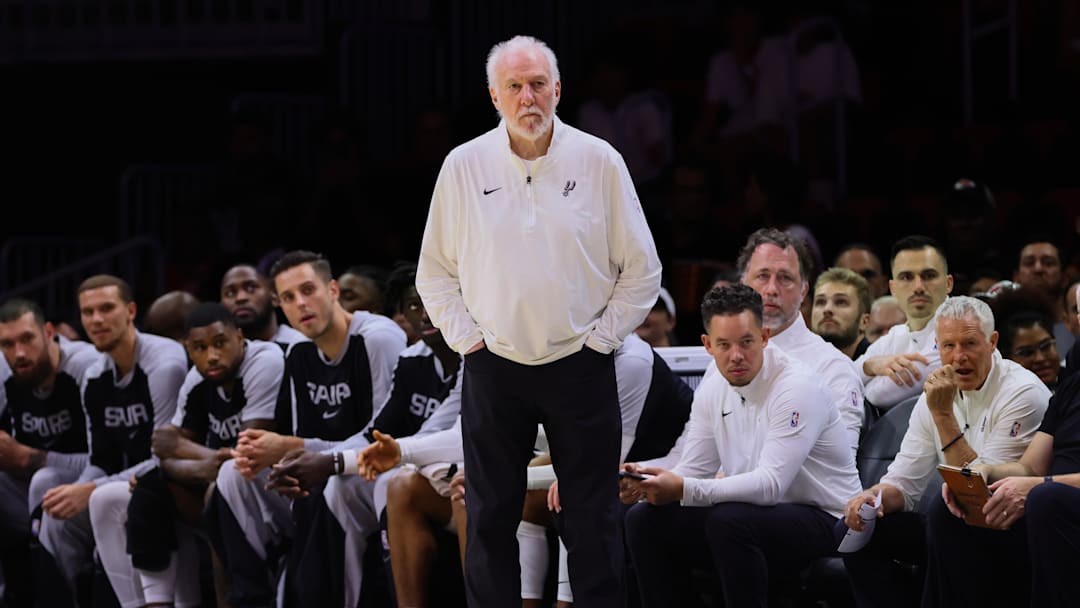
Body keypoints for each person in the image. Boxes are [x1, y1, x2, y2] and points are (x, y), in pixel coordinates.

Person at [415, 34, 662, 607]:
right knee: (489, 517)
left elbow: (643, 268)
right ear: (494, 96)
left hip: (581, 364)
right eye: (514, 87)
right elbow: (435, 273)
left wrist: (602, 341)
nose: (528, 98)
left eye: (538, 85)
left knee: (594, 521)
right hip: (492, 365)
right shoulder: (462, 165)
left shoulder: (600, 159)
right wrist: (469, 343)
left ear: (558, 89)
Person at [622, 284, 861, 607]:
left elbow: (771, 485)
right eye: (724, 344)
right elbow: (695, 469)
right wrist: (650, 481)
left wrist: (682, 488)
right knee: (644, 519)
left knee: (730, 519)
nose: (736, 355)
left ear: (764, 337)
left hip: (829, 518)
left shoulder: (796, 386)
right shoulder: (714, 384)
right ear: (707, 345)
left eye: (746, 342)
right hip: (758, 515)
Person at [206, 251, 405, 607]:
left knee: (335, 485)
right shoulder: (298, 354)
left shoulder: (377, 337)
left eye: (308, 290)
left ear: (332, 290)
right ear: (279, 304)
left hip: (383, 465)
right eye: (288, 297)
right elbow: (307, 444)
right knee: (234, 474)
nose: (300, 303)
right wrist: (287, 460)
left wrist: (293, 448)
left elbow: (385, 433)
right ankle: (252, 598)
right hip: (332, 465)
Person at [842, 296, 1050, 608]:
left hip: (1009, 526)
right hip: (954, 521)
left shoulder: (1022, 392)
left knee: (945, 518)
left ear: (992, 342)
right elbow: (903, 482)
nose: (958, 357)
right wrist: (873, 497)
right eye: (948, 346)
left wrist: (943, 416)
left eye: (969, 343)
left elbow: (977, 492)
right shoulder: (936, 393)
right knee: (865, 531)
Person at [88, 302, 281, 608]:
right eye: (200, 348)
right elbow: (164, 447)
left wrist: (190, 457)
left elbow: (249, 452)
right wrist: (209, 461)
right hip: (219, 479)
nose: (212, 355)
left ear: (240, 337)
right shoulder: (197, 378)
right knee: (138, 490)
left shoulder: (264, 360)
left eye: (220, 343)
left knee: (220, 489)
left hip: (272, 485)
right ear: (189, 350)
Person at [37, 275, 187, 606]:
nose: (97, 320)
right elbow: (101, 459)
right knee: (56, 513)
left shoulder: (164, 365)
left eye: (106, 308)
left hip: (172, 480)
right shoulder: (94, 376)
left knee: (104, 499)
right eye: (88, 312)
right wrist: (75, 492)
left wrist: (89, 490)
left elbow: (169, 457)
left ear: (131, 310)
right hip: (130, 477)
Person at [933, 356, 1080, 605]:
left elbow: (1038, 482)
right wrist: (986, 471)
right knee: (953, 504)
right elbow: (1031, 466)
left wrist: (1039, 486)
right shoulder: (1073, 386)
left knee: (1046, 500)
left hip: (1057, 504)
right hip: (1046, 503)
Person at [728, 228, 864, 454]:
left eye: (785, 278)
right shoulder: (723, 362)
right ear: (743, 284)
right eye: (762, 276)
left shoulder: (834, 368)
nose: (771, 289)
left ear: (804, 291)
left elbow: (841, 461)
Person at [0, 299, 99, 608]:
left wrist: (31, 458)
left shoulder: (87, 367)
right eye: (7, 343)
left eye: (27, 339)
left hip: (92, 483)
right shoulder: (6, 371)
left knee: (47, 480)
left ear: (49, 332)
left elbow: (111, 459)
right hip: (29, 489)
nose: (18, 353)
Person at [855, 235, 953, 411]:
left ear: (948, 283)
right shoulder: (894, 336)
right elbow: (845, 379)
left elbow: (881, 395)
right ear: (892, 288)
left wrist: (865, 382)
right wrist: (870, 366)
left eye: (928, 276)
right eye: (907, 277)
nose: (918, 287)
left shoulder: (960, 328)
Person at [219, 263, 306, 347]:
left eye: (250, 288)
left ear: (274, 297)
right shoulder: (217, 357)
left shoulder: (301, 346)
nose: (240, 298)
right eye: (230, 293)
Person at [811, 267, 872, 359]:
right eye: (821, 302)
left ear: (864, 321)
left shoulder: (879, 368)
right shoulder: (796, 364)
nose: (827, 309)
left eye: (841, 302)